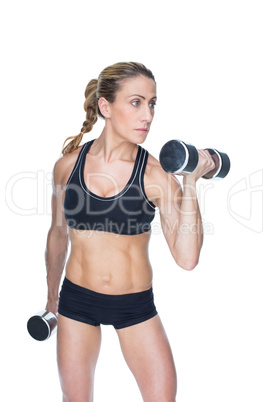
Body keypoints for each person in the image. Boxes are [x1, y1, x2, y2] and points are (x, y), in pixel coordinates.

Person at [45, 62, 215, 402]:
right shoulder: (68, 166)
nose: (148, 115)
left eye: (152, 104)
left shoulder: (156, 176)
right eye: (136, 102)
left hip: (134, 306)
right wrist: (51, 297)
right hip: (77, 300)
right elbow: (57, 235)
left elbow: (187, 258)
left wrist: (191, 182)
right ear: (106, 107)